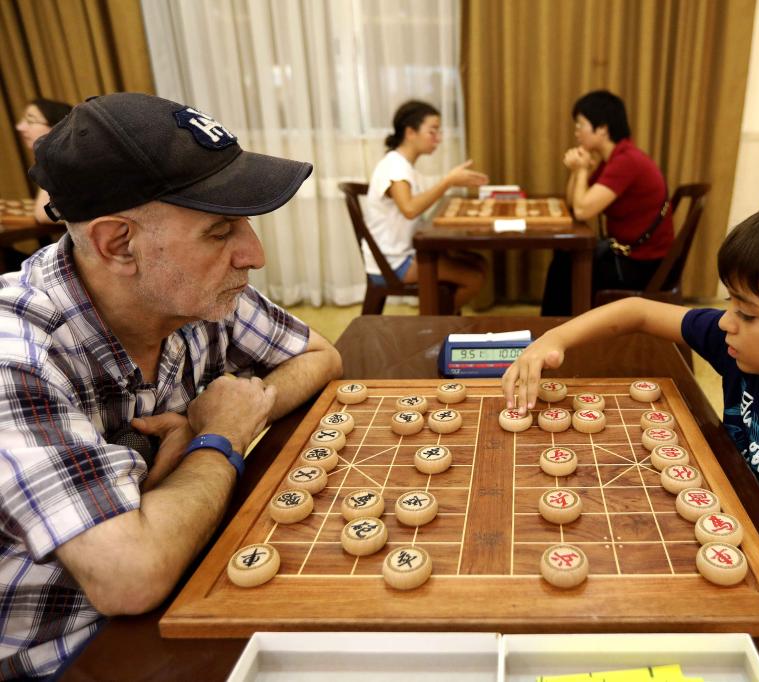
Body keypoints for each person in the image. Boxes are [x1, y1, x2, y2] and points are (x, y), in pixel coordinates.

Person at [0, 92, 343, 679]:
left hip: (188, 581)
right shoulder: (17, 355)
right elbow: (129, 578)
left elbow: (319, 355)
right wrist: (220, 438)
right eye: (220, 230)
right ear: (119, 244)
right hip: (79, 654)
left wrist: (239, 408)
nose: (253, 253)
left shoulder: (196, 293)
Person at [505, 180, 759, 660]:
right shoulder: (751, 353)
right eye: (730, 303)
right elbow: (638, 311)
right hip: (744, 524)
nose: (725, 322)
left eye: (746, 312)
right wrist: (550, 341)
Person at [541, 90, 674, 316]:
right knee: (565, 257)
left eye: (580, 125)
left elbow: (582, 211)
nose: (576, 133)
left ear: (602, 128)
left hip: (643, 265)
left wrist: (582, 169)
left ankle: (555, 330)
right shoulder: (613, 160)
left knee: (566, 266)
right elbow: (574, 204)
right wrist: (577, 171)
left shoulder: (626, 161)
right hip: (631, 256)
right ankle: (555, 329)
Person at [363, 99, 488, 310]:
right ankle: (436, 323)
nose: (438, 139)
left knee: (480, 264)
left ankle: (440, 317)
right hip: (394, 262)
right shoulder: (395, 166)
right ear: (410, 132)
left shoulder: (406, 167)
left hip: (404, 253)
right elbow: (410, 209)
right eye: (433, 131)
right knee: (473, 277)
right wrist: (448, 181)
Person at [14, 97, 73, 224]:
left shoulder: (71, 161)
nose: (20, 127)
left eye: (30, 120)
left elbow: (43, 213)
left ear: (57, 126)